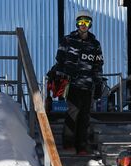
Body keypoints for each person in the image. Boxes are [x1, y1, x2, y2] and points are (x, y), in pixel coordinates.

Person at [53, 9, 104, 155]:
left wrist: (98, 84)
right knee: (72, 114)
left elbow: (98, 66)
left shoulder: (95, 44)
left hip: (87, 86)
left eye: (86, 22)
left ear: (90, 24)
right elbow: (60, 61)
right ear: (76, 23)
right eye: (80, 21)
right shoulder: (68, 40)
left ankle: (82, 145)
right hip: (71, 85)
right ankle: (68, 143)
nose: (83, 25)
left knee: (84, 117)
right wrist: (58, 78)